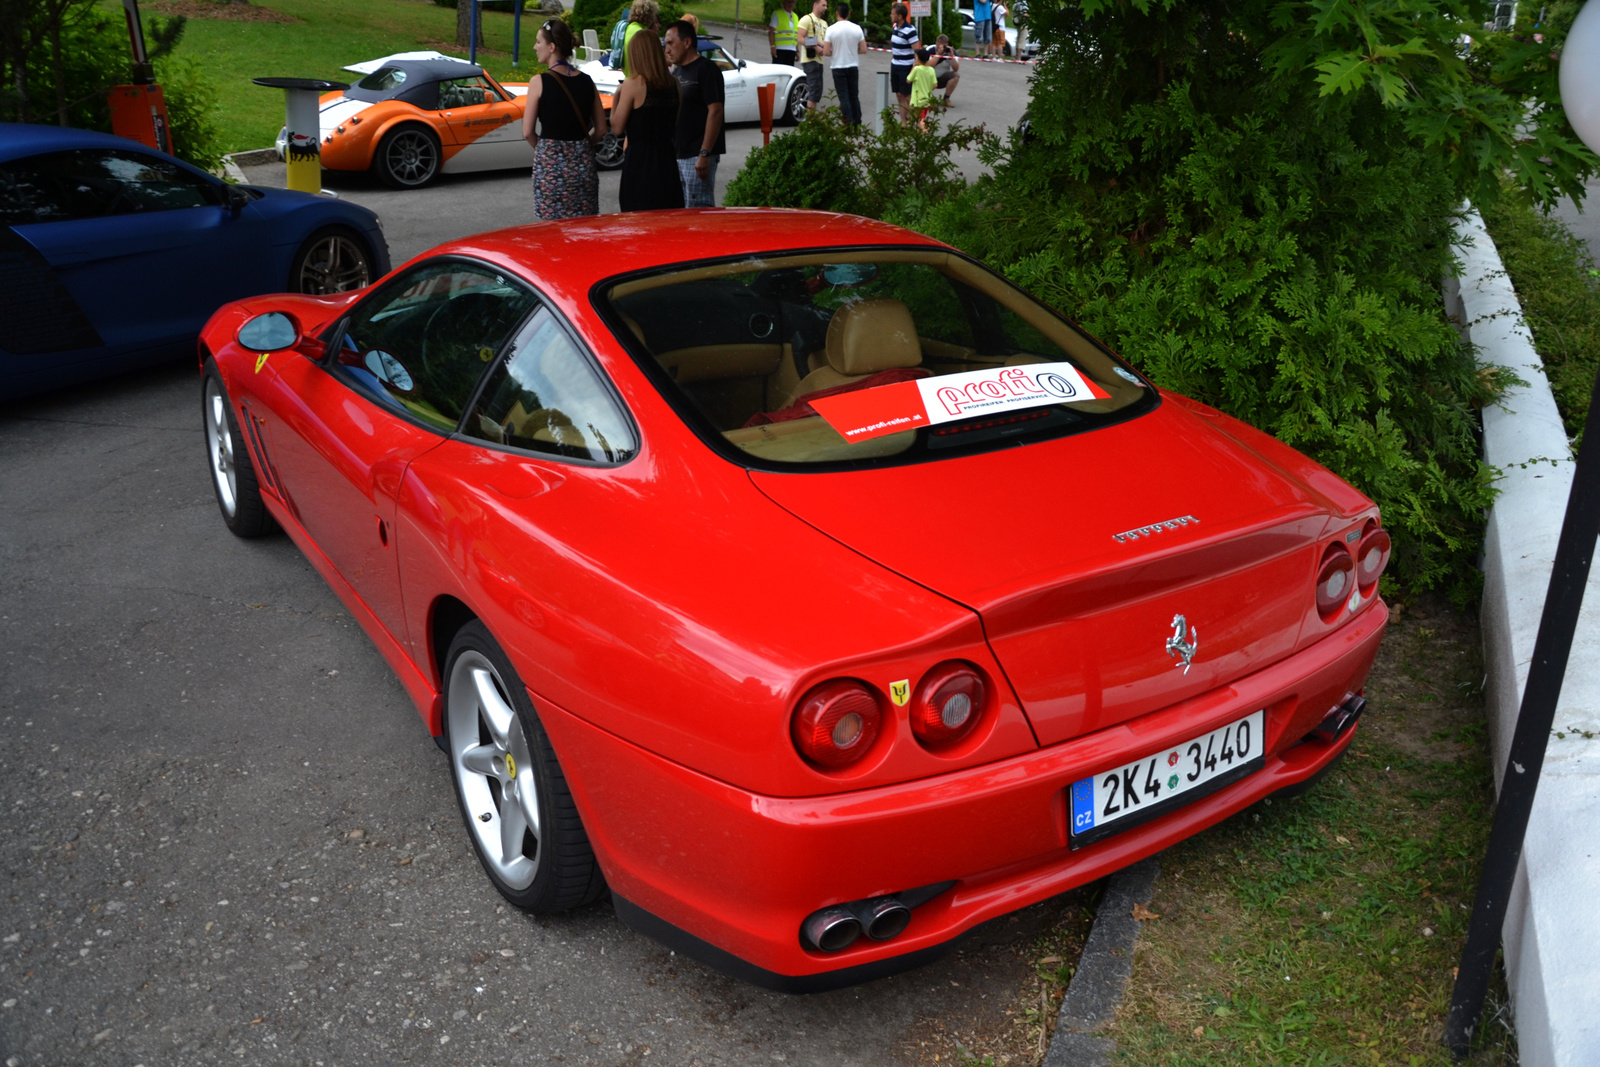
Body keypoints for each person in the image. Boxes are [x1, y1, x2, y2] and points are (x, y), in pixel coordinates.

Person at [522, 19, 607, 219]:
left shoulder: (539, 82)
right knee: (582, 229)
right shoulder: (587, 82)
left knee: (552, 232)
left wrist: (547, 150)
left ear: (551, 47)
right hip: (583, 168)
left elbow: (527, 132)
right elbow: (601, 128)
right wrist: (582, 147)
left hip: (551, 171)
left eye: (538, 42)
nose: (535, 47)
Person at [611, 28, 685, 211]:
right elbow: (674, 122)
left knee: (638, 221)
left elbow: (617, 127)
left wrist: (616, 97)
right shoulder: (675, 83)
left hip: (639, 163)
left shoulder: (633, 84)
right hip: (667, 161)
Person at [663, 19, 724, 206]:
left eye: (671, 43)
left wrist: (704, 154)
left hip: (697, 155)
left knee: (698, 212)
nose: (667, 49)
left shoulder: (707, 69)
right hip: (678, 154)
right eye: (666, 44)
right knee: (681, 213)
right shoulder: (677, 72)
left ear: (687, 42)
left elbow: (715, 111)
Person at [822, 1, 866, 125]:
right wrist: (853, 50)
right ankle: (857, 122)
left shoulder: (831, 30)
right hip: (852, 65)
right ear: (849, 13)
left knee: (844, 97)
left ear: (837, 13)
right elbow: (863, 49)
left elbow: (826, 51)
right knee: (854, 95)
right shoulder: (857, 28)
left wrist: (834, 51)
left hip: (838, 66)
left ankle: (847, 122)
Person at [887, 2, 918, 123]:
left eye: (893, 13)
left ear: (899, 16)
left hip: (906, 66)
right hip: (895, 65)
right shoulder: (895, 27)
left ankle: (911, 121)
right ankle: (903, 122)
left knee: (908, 96)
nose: (890, 15)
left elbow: (917, 51)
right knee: (899, 95)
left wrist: (914, 69)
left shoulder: (910, 30)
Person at [796, 0, 829, 112]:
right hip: (810, 60)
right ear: (815, 4)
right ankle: (810, 120)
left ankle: (812, 117)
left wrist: (825, 48)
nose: (826, 8)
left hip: (820, 60)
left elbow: (825, 41)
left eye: (826, 5)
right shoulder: (807, 19)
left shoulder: (824, 23)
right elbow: (800, 38)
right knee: (813, 89)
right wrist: (816, 46)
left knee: (817, 90)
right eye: (823, 5)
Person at [621, 0, 660, 76]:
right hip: (640, 82)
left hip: (628, 79)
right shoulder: (642, 34)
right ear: (650, 15)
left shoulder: (628, 29)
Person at [907, 47, 936, 130]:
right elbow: (935, 85)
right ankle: (917, 133)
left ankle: (923, 132)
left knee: (915, 119)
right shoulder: (931, 70)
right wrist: (928, 89)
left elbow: (908, 80)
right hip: (926, 99)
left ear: (918, 58)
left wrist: (913, 66)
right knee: (921, 117)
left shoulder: (916, 69)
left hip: (915, 99)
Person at [768, 0, 800, 66]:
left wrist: (797, 51)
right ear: (784, 2)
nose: (791, 4)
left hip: (792, 50)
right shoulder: (777, 14)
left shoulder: (795, 17)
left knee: (789, 73)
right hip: (780, 49)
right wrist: (772, 47)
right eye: (789, 2)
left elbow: (796, 35)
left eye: (793, 2)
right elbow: (771, 32)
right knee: (778, 72)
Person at [931, 32, 959, 103]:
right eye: (941, 45)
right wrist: (938, 54)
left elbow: (956, 69)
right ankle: (926, 97)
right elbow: (928, 66)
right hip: (929, 78)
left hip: (942, 78)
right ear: (937, 43)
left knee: (956, 75)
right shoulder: (930, 49)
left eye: (945, 46)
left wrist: (952, 57)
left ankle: (946, 98)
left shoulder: (950, 51)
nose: (943, 48)